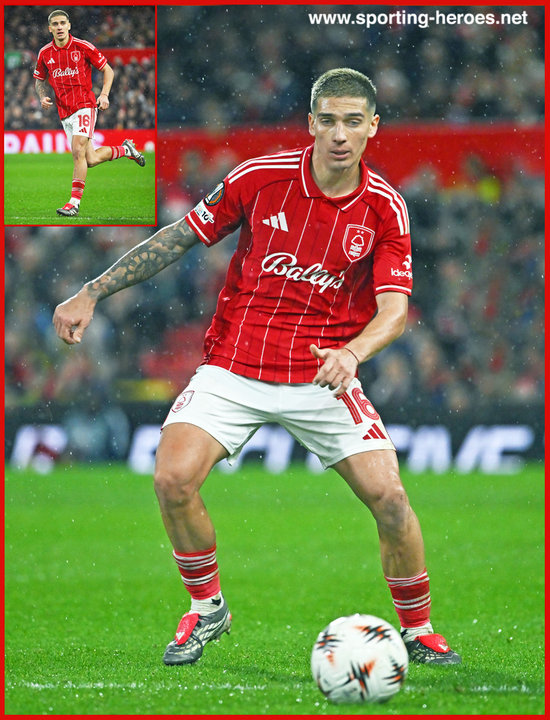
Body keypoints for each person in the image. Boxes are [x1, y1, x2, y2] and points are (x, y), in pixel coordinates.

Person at [53, 68, 461, 667]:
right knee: (172, 479)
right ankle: (207, 608)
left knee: (392, 499)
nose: (340, 134)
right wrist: (92, 291)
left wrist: (351, 354)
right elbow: (177, 238)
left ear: (373, 127)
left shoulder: (384, 208)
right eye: (328, 121)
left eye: (353, 122)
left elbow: (394, 312)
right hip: (234, 367)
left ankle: (419, 630)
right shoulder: (260, 177)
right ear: (311, 123)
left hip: (322, 373)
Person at [33, 9, 145, 217]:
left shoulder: (83, 47)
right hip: (65, 112)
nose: (59, 27)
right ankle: (126, 150)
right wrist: (42, 96)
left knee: (78, 151)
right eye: (55, 24)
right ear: (50, 29)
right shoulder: (45, 54)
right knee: (90, 159)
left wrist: (104, 95)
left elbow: (108, 70)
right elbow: (39, 79)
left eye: (62, 23)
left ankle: (74, 203)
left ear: (69, 26)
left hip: (85, 105)